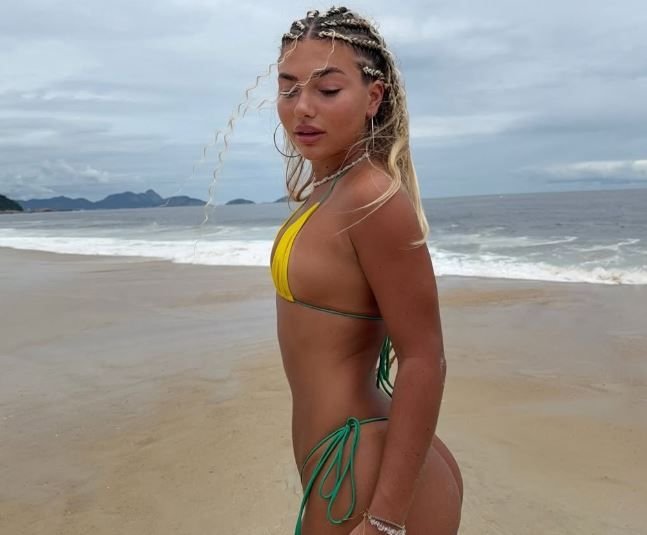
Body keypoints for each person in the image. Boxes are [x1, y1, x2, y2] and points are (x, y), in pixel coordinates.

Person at [269, 7, 463, 534]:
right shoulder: (328, 191)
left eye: (328, 90)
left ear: (373, 97)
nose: (302, 107)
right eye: (288, 89)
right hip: (340, 461)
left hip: (366, 468)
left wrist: (385, 520)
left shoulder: (372, 199)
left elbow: (424, 358)